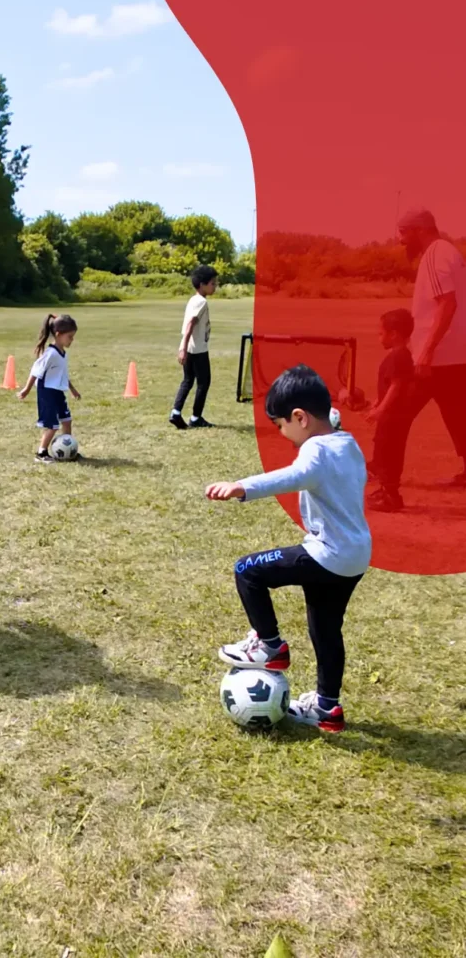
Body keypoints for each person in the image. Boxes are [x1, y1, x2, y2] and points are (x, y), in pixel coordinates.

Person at [205, 365, 371, 733]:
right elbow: (330, 425)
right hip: (356, 555)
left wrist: (242, 486)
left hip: (328, 553)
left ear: (300, 417)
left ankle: (269, 646)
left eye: (281, 425)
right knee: (326, 630)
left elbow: (294, 475)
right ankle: (327, 708)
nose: (282, 433)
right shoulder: (345, 441)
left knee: (247, 570)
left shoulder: (316, 450)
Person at [393, 208, 466, 488]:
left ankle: (384, 471)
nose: (401, 240)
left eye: (403, 232)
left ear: (420, 229)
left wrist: (426, 351)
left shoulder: (435, 254)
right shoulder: (449, 251)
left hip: (436, 359)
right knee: (458, 415)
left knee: (396, 411)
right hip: (453, 355)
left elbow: (448, 303)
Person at [365, 309, 416, 512]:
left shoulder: (398, 356)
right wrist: (378, 402)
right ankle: (386, 490)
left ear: (393, 334)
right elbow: (391, 385)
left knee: (389, 453)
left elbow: (396, 386)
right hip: (392, 415)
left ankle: (391, 496)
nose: (379, 337)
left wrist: (381, 410)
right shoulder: (401, 355)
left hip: (393, 416)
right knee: (383, 450)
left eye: (381, 333)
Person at [18, 314, 81, 464]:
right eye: (70, 337)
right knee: (52, 425)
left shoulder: (62, 353)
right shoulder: (51, 354)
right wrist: (26, 389)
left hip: (57, 391)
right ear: (58, 334)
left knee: (67, 421)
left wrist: (73, 390)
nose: (72, 340)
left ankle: (69, 451)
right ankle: (41, 453)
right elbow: (36, 371)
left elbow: (62, 375)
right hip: (47, 392)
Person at [169, 265, 218, 430]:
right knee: (204, 382)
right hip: (197, 349)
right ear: (202, 284)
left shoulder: (193, 299)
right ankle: (196, 418)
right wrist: (183, 348)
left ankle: (176, 413)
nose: (215, 286)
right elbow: (191, 323)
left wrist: (183, 347)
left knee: (188, 380)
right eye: (212, 283)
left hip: (190, 347)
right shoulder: (201, 302)